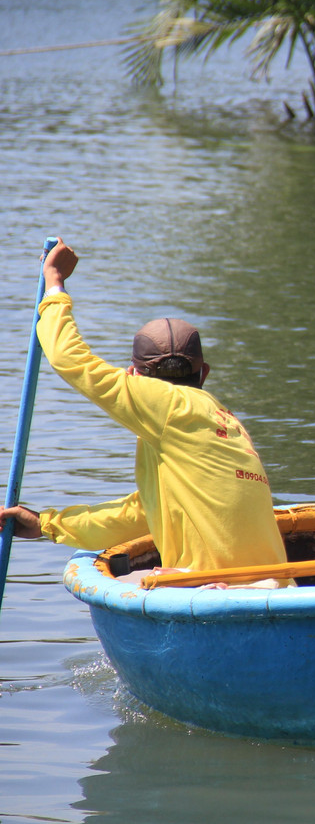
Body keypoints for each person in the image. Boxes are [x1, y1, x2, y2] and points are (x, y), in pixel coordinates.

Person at [0, 239, 289, 582]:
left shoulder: (162, 403)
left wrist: (54, 281)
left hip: (219, 590)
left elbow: (67, 359)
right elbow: (141, 514)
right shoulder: (225, 420)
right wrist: (47, 525)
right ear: (204, 374)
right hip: (276, 583)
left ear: (133, 376)